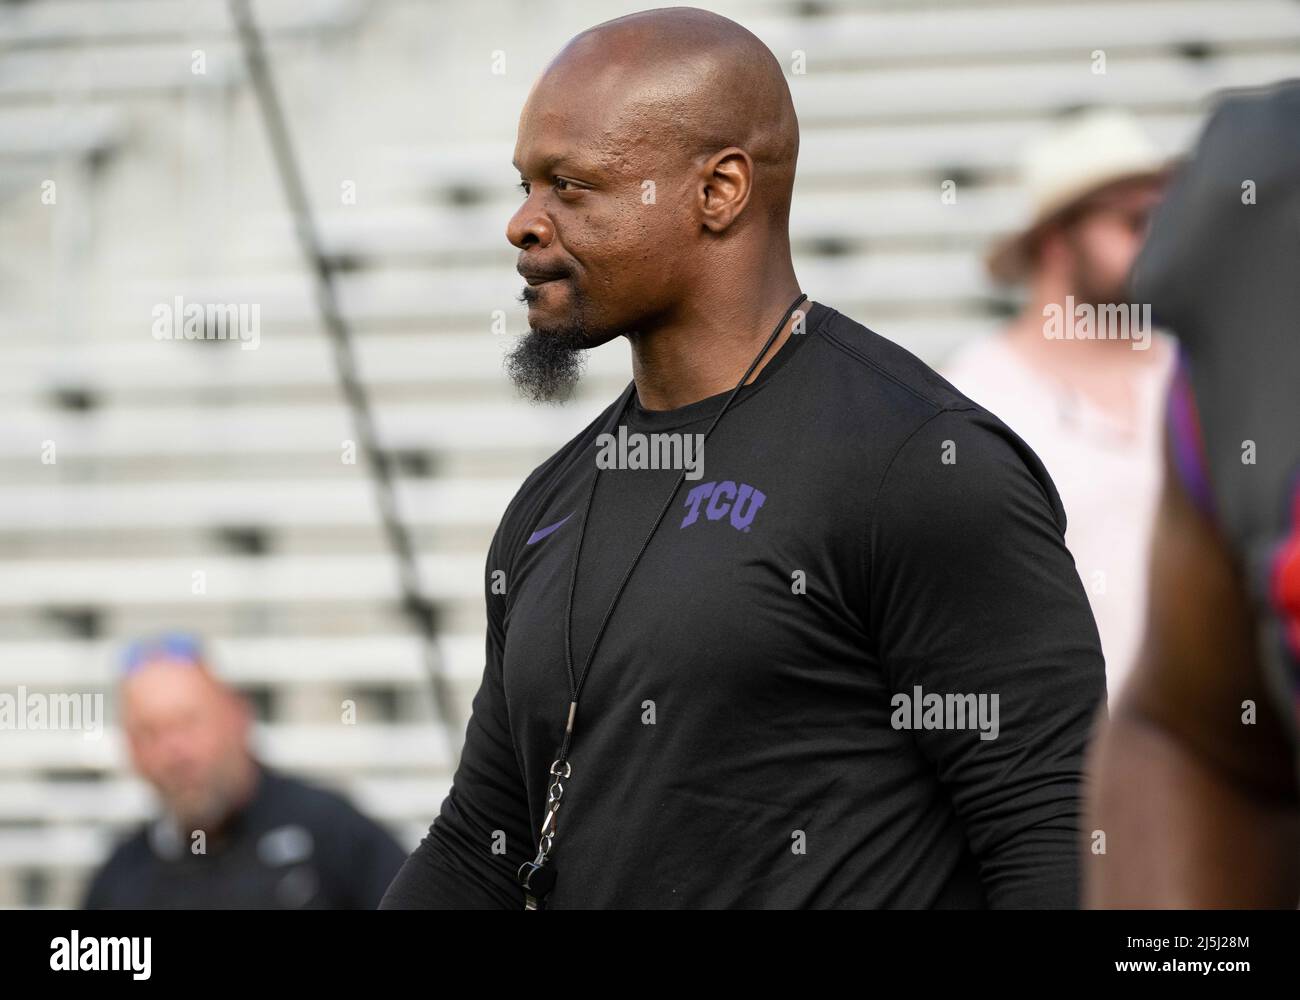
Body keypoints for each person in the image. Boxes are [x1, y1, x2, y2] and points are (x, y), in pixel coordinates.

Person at [382, 7, 1103, 910]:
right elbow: (478, 846)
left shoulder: (921, 464)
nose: (523, 223)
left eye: (570, 187)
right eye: (526, 184)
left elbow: (1056, 832)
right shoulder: (548, 503)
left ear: (719, 191)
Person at [1087, 81, 1300, 907]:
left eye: (1151, 214)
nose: (1145, 235)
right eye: (1122, 217)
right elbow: (1200, 741)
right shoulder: (1266, 250)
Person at [942, 108, 1174, 700]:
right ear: (1056, 240)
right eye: (1135, 220)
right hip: (1069, 767)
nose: (1160, 240)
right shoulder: (976, 399)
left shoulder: (1196, 371)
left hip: (1218, 765)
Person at [84, 632, 407, 909]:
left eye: (188, 722)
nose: (175, 752)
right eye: (151, 732)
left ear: (238, 718)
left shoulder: (332, 834)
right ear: (131, 752)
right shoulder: (122, 880)